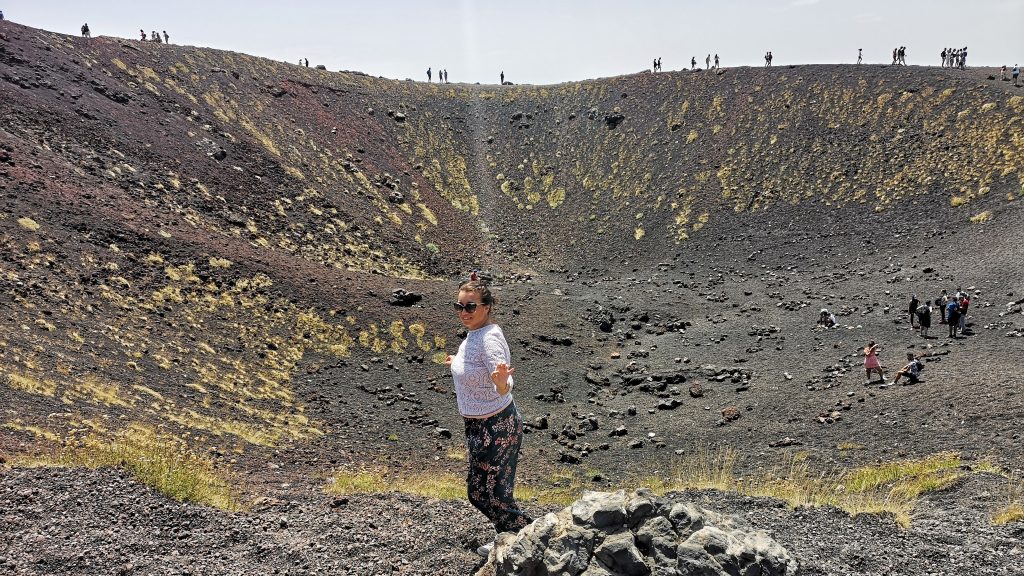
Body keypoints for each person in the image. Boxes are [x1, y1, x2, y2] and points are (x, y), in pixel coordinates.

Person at [445, 273, 532, 557]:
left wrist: (501, 383)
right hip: (478, 426)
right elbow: (473, 366)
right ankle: (508, 538)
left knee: (484, 493)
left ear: (487, 306)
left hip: (497, 425)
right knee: (492, 491)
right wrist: (456, 363)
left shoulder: (490, 338)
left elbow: (504, 380)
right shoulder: (473, 335)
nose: (464, 313)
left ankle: (529, 535)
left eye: (470, 306)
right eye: (459, 307)